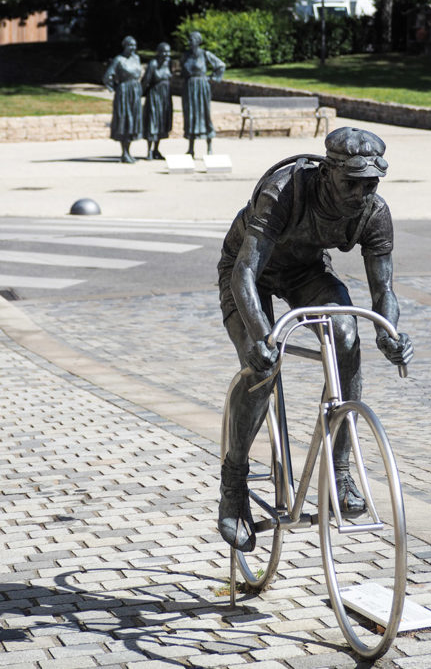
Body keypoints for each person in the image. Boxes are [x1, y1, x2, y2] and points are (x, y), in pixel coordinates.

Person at [216, 126, 413, 552]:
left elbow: (385, 292)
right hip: (247, 274)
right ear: (327, 172)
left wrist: (388, 330)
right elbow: (244, 272)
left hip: (306, 272)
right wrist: (261, 336)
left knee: (347, 336)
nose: (360, 193)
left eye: (370, 184)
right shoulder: (283, 191)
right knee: (260, 368)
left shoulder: (373, 212)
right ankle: (233, 482)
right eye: (351, 182)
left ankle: (339, 474)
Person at [181, 30, 225, 157]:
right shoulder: (186, 55)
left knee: (204, 114)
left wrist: (211, 78)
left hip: (201, 87)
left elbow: (220, 65)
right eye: (189, 39)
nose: (190, 42)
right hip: (189, 87)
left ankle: (209, 146)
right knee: (190, 115)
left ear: (198, 41)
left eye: (192, 39)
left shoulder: (205, 54)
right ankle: (190, 148)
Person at [102, 35, 143, 163]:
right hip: (124, 92)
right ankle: (124, 152)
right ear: (124, 46)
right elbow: (107, 76)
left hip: (135, 91)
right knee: (125, 120)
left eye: (134, 45)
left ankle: (129, 151)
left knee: (133, 120)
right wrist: (115, 88)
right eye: (130, 45)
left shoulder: (137, 58)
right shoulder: (118, 60)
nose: (133, 47)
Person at [141, 42, 173, 160]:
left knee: (162, 121)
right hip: (155, 95)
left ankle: (156, 150)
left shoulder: (168, 62)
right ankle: (149, 150)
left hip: (165, 96)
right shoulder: (153, 63)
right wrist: (140, 93)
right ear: (158, 52)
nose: (166, 54)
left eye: (168, 52)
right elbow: (146, 80)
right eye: (163, 52)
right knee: (152, 121)